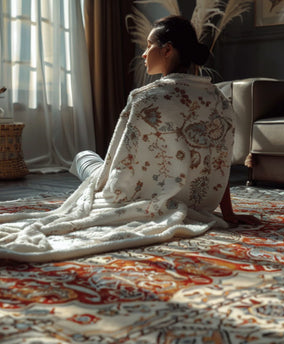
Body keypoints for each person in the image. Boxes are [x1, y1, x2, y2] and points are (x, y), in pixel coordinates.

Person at [0, 16, 259, 263]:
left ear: (167, 50)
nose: (144, 54)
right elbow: (219, 163)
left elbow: (118, 168)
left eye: (148, 46)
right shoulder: (219, 99)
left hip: (133, 190)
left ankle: (83, 160)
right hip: (194, 201)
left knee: (84, 157)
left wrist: (102, 191)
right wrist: (227, 213)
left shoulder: (145, 97)